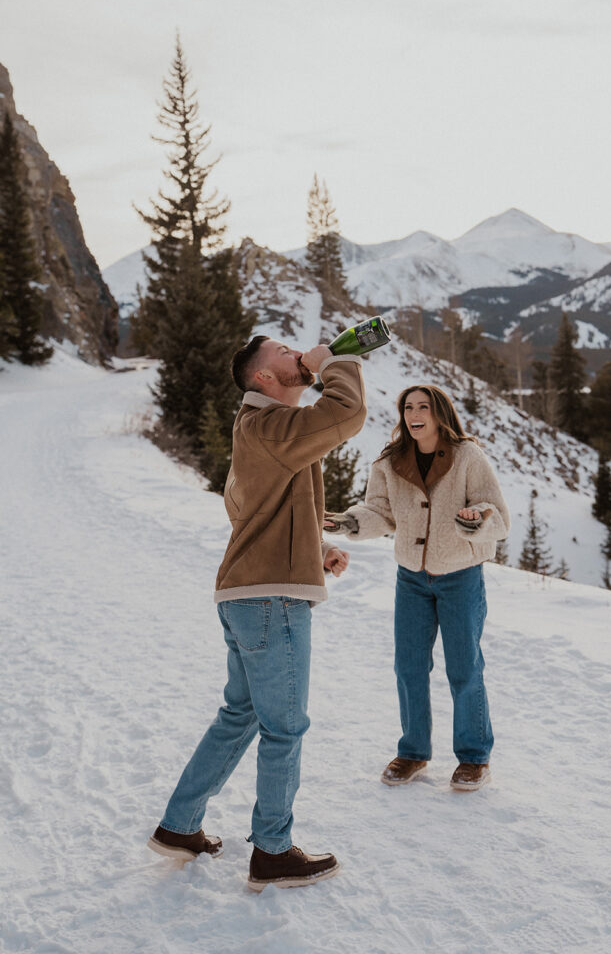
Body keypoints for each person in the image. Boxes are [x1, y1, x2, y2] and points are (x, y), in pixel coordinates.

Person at [148, 337, 366, 890]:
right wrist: (335, 364)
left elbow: (261, 512)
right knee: (284, 727)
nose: (297, 353)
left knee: (240, 715)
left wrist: (315, 549)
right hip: (270, 598)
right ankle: (272, 850)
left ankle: (180, 826)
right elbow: (347, 412)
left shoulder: (264, 434)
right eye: (285, 351)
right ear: (263, 379)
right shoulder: (269, 427)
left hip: (248, 593)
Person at [325, 385, 509, 792]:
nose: (414, 414)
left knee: (464, 669)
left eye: (423, 406)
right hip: (410, 578)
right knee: (408, 667)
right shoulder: (390, 462)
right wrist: (348, 523)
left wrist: (475, 517)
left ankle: (474, 758)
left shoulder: (468, 457)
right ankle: (413, 751)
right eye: (408, 407)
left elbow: (496, 514)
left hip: (460, 575)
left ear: (440, 413)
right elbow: (379, 511)